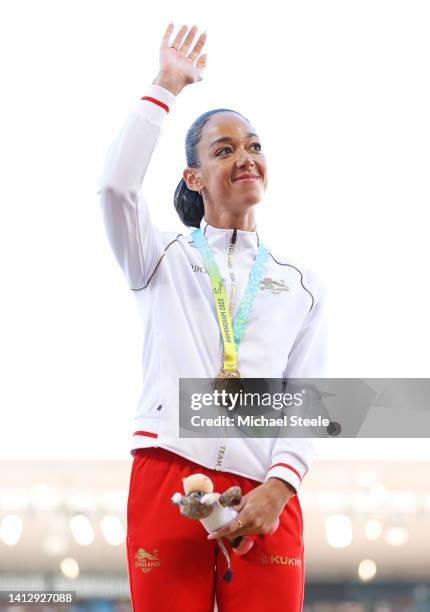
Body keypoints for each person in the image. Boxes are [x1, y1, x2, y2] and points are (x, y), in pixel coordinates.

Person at [98, 22, 326, 612]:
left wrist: (279, 488)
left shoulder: (300, 286)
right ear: (194, 179)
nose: (245, 157)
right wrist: (167, 85)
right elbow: (115, 188)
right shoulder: (161, 258)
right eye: (224, 150)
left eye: (252, 145)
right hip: (167, 473)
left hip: (264, 491)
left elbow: (306, 401)